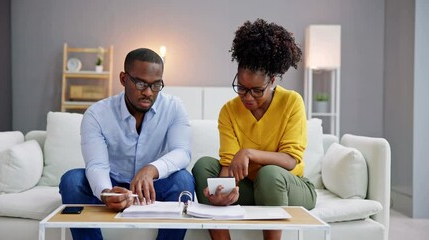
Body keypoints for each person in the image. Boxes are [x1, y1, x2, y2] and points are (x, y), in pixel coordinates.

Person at [191, 18, 317, 240]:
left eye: (257, 90)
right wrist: (223, 191)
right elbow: (228, 164)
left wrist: (248, 153)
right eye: (241, 88)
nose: (247, 97)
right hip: (251, 188)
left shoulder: (291, 102)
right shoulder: (229, 111)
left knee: (269, 174)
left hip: (289, 187)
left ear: (272, 81)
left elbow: (290, 161)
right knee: (203, 166)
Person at [59, 48, 195, 240]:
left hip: (154, 186)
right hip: (113, 182)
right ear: (123, 79)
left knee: (184, 180)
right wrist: (106, 193)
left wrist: (150, 169)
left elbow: (182, 152)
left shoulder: (174, 107)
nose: (148, 92)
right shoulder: (96, 114)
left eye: (156, 85)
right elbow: (97, 165)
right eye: (141, 83)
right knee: (72, 181)